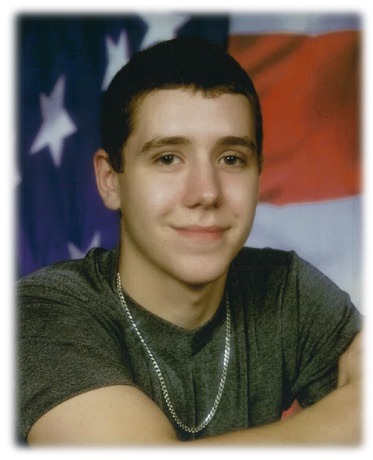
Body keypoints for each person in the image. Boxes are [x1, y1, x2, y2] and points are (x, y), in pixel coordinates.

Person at [17, 37, 362, 446]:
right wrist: (355, 413)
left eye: (231, 158)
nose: (206, 192)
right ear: (110, 181)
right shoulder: (36, 313)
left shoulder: (287, 291)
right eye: (168, 158)